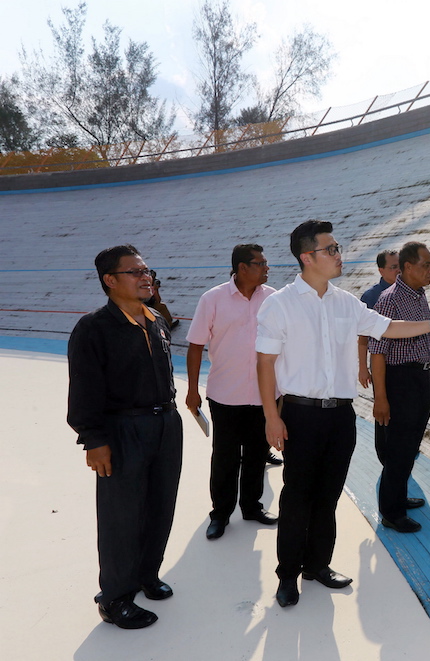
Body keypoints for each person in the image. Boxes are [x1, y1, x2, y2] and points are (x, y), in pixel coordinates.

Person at [255, 220, 430, 608]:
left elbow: (387, 328)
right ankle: (287, 575)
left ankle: (317, 565)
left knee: (329, 496)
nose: (339, 255)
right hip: (300, 415)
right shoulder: (279, 304)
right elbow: (265, 364)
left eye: (337, 248)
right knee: (298, 497)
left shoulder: (346, 302)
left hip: (340, 417)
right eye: (330, 249)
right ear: (307, 257)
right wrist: (271, 416)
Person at [67, 245, 183, 629]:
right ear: (110, 280)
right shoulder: (94, 328)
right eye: (134, 271)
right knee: (122, 514)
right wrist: (93, 439)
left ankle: (146, 574)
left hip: (166, 423)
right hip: (122, 429)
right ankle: (115, 596)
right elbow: (84, 390)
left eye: (146, 269)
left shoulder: (156, 321)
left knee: (160, 503)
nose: (145, 276)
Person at [186, 244, 279, 541]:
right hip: (225, 394)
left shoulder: (274, 299)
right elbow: (196, 345)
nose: (266, 268)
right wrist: (191, 390)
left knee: (256, 454)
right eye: (260, 263)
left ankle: (251, 506)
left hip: (265, 395)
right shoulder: (212, 299)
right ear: (241, 268)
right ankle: (220, 514)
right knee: (225, 458)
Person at [369, 241, 430, 533]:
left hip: (420, 378)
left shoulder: (418, 295)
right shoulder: (389, 299)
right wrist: (381, 398)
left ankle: (399, 497)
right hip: (399, 381)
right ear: (408, 267)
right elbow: (377, 352)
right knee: (398, 447)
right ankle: (391, 512)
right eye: (426, 264)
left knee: (410, 444)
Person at [357, 249, 400, 388]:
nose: (399, 270)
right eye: (393, 267)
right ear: (381, 271)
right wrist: (363, 368)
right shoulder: (371, 296)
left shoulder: (411, 291)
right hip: (384, 366)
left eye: (401, 265)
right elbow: (363, 338)